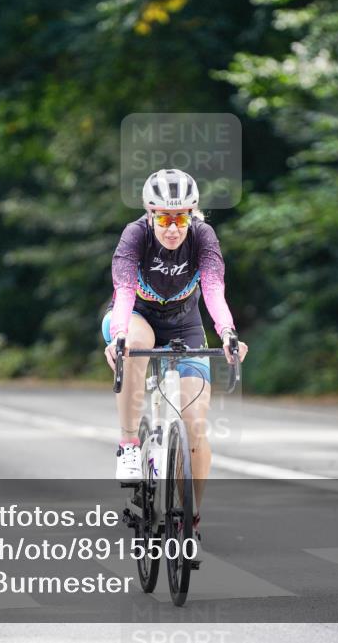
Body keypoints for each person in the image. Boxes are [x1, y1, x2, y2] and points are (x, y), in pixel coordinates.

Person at [103, 168, 249, 542]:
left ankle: (191, 515)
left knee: (195, 426)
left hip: (185, 327)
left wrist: (228, 332)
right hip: (136, 319)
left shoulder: (203, 237)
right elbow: (124, 291)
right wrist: (118, 336)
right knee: (136, 342)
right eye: (164, 218)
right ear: (150, 215)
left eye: (181, 218)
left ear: (191, 215)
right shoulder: (135, 236)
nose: (172, 228)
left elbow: (213, 288)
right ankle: (129, 445)